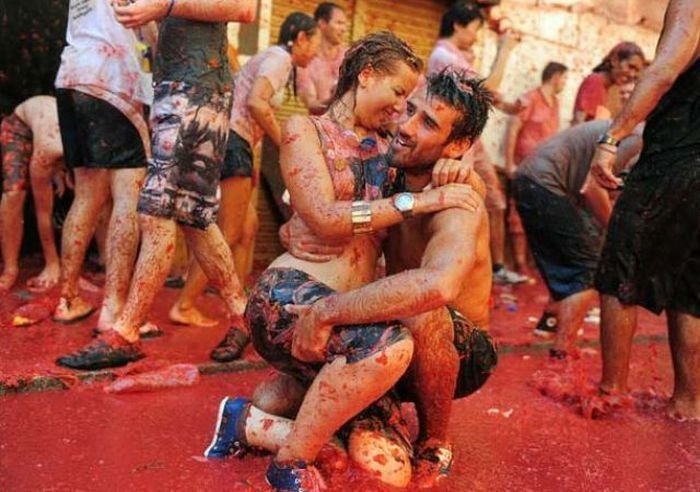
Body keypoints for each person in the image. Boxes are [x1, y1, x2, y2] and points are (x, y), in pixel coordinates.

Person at [205, 33, 485, 491]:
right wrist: (414, 202)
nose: (401, 111)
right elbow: (323, 217)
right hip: (290, 294)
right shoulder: (303, 130)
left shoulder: (390, 149)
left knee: (387, 471)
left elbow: (438, 165)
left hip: (350, 310)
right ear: (366, 75)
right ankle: (290, 462)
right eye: (398, 94)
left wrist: (462, 171)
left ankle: (252, 423)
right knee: (389, 346)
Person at [55, 0, 257, 370]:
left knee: (156, 211)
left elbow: (245, 9)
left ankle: (126, 332)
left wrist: (162, 6)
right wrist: (144, 16)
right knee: (193, 217)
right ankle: (243, 316)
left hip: (195, 91)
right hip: (178, 89)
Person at [168, 12, 321, 362]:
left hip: (235, 142)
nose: (314, 51)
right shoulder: (281, 58)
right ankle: (185, 303)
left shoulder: (274, 58)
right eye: (313, 42)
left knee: (248, 228)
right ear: (299, 38)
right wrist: (288, 144)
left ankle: (233, 302)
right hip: (232, 140)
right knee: (227, 232)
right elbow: (255, 102)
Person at [586, 0, 700, 420]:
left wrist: (612, 137)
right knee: (691, 287)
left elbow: (665, 70)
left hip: (680, 153)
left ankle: (610, 393)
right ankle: (689, 402)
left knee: (621, 269)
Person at [51, 0, 154, 332]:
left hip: (71, 77)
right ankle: (115, 310)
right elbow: (150, 27)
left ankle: (67, 298)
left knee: (87, 197)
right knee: (128, 196)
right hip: (113, 83)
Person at [513, 117, 642, 357]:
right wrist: (617, 231)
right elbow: (593, 189)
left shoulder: (632, 132)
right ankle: (563, 350)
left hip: (530, 182)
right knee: (587, 268)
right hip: (545, 184)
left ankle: (548, 325)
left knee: (568, 261)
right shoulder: (638, 138)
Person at [428, 1, 525, 285]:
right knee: (456, 201)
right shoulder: (443, 56)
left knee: (494, 200)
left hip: (471, 140)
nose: (475, 37)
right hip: (454, 142)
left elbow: (484, 94)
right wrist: (504, 51)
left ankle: (495, 268)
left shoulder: (457, 56)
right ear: (458, 25)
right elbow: (484, 91)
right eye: (473, 30)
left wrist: (508, 105)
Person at [504, 61, 567, 273]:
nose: (565, 83)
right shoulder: (529, 98)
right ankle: (520, 265)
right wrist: (509, 163)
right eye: (565, 78)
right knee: (518, 215)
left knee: (542, 215)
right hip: (525, 166)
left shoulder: (555, 103)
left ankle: (536, 265)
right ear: (556, 76)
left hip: (546, 169)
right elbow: (513, 129)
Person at [0, 96, 64, 292]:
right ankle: (11, 268)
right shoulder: (48, 147)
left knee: (92, 191)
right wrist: (52, 264)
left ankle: (104, 259)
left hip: (53, 133)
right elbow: (42, 209)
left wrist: (59, 171)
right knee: (14, 193)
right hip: (19, 128)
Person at [572, 41, 645, 125]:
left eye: (637, 71)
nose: (632, 74)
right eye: (631, 67)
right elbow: (578, 122)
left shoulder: (612, 89)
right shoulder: (595, 81)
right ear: (614, 60)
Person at [296, 2, 348, 115]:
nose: (344, 29)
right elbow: (311, 104)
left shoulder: (350, 57)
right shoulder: (306, 61)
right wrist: (334, 99)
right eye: (339, 23)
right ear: (322, 24)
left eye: (345, 24)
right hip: (320, 128)